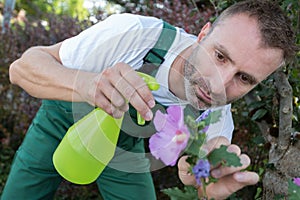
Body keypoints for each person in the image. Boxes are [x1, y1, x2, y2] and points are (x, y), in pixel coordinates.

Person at [2, 0, 297, 199]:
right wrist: (87, 84)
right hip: (61, 119)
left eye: (244, 78)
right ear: (202, 34)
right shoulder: (136, 35)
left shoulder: (217, 116)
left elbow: (203, 163)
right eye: (219, 56)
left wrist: (203, 177)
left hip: (123, 150)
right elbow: (23, 67)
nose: (219, 85)